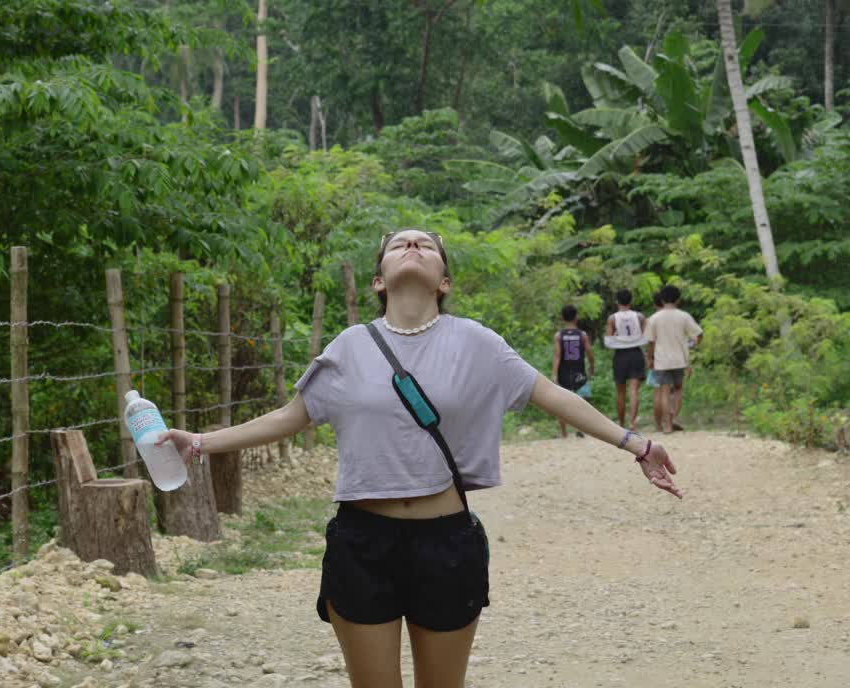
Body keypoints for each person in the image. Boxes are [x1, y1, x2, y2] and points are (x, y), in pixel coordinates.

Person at [156, 229, 681, 688]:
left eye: (426, 244)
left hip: (446, 541)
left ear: (444, 281)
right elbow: (292, 416)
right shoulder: (348, 347)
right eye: (399, 244)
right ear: (379, 281)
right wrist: (201, 442)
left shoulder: (478, 344)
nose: (413, 245)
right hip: (362, 542)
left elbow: (551, 394)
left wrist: (636, 445)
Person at [644, 284, 703, 435]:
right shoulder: (684, 316)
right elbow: (699, 334)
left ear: (662, 299)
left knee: (664, 392)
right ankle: (675, 417)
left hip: (661, 360)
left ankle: (667, 426)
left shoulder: (654, 318)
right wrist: (692, 345)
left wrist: (649, 359)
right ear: (678, 299)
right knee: (677, 390)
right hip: (680, 360)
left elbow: (650, 342)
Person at [604, 289, 647, 430]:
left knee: (620, 391)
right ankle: (632, 422)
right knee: (634, 390)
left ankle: (621, 423)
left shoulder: (612, 318)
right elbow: (646, 337)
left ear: (617, 302)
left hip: (620, 355)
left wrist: (619, 338)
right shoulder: (639, 317)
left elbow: (608, 342)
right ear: (631, 301)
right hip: (636, 353)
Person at [552, 304, 595, 439]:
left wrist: (554, 374)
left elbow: (557, 355)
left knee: (562, 402)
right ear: (576, 317)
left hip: (564, 371)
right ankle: (580, 428)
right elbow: (589, 352)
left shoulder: (559, 335)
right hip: (579, 370)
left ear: (563, 318)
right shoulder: (582, 335)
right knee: (581, 400)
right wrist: (592, 366)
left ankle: (564, 432)